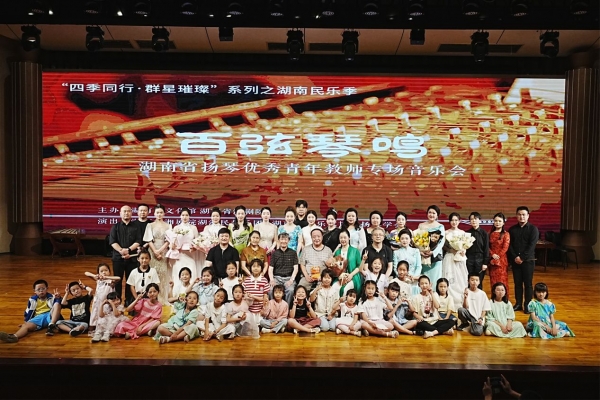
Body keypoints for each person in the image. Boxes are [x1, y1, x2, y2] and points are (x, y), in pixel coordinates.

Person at [508, 206, 539, 313]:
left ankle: (527, 305)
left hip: (528, 261)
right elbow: (510, 245)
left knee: (528, 284)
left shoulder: (533, 229)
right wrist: (515, 257)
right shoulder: (512, 229)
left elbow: (532, 246)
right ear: (516, 216)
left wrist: (522, 257)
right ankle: (518, 304)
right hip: (515, 261)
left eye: (524, 214)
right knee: (517, 283)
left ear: (528, 216)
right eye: (519, 214)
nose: (521, 217)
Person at [109, 205, 142, 305]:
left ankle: (128, 301)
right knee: (117, 281)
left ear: (131, 213)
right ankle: (117, 301)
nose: (126, 213)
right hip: (118, 258)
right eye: (124, 211)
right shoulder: (115, 227)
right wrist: (121, 250)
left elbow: (138, 241)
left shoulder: (136, 227)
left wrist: (128, 250)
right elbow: (112, 241)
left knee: (130, 281)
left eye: (128, 211)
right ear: (120, 213)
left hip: (132, 259)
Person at [143, 204, 172, 304]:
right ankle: (152, 298)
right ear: (154, 213)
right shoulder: (150, 225)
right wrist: (155, 251)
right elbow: (149, 239)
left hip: (164, 252)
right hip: (152, 251)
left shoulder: (168, 226)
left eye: (161, 212)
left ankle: (162, 298)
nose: (159, 214)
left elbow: (168, 241)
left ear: (164, 213)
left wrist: (160, 251)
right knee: (153, 274)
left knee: (163, 275)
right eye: (157, 212)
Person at [167, 207, 202, 283]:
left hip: (190, 255)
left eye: (186, 215)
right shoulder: (176, 228)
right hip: (179, 256)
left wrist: (194, 248)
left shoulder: (193, 228)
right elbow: (172, 242)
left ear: (189, 216)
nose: (184, 217)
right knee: (178, 275)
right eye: (183, 215)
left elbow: (197, 242)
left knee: (191, 274)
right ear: (180, 216)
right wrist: (173, 246)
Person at [442, 212, 469, 306]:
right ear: (449, 221)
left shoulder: (463, 233)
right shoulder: (446, 232)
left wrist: (463, 251)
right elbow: (443, 246)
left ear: (459, 221)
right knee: (449, 277)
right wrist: (451, 250)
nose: (454, 222)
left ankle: (461, 300)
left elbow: (465, 245)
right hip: (450, 257)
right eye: (452, 220)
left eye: (456, 220)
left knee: (461, 278)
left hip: (460, 258)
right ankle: (449, 300)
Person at [84, 263, 119, 332]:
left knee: (105, 316)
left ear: (109, 272)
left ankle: (105, 330)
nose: (104, 272)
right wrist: (95, 276)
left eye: (106, 270)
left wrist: (107, 277)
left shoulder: (111, 281)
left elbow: (118, 278)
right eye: (101, 271)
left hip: (107, 303)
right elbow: (86, 273)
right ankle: (93, 329)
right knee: (95, 315)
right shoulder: (98, 280)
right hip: (97, 302)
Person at [418, 205, 445, 289]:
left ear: (437, 215)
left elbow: (441, 242)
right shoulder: (421, 225)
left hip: (436, 257)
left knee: (435, 279)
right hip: (424, 256)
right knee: (424, 278)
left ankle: (434, 295)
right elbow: (417, 239)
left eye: (434, 213)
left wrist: (433, 252)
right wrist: (421, 251)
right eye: (430, 212)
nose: (431, 215)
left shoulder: (440, 226)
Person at [268, 232, 298, 304]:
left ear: (289, 241)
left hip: (289, 278)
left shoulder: (293, 253)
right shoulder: (274, 253)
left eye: (285, 239)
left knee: (290, 290)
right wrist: (272, 280)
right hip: (277, 278)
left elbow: (296, 268)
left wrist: (291, 280)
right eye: (282, 239)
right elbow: (271, 268)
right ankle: (273, 307)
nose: (283, 241)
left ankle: (286, 308)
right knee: (270, 289)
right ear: (278, 240)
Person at [392, 229, 422, 295]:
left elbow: (418, 266)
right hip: (402, 280)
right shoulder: (396, 252)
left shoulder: (416, 251)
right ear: (399, 240)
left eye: (406, 238)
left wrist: (414, 277)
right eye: (402, 238)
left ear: (410, 239)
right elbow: (395, 268)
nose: (404, 240)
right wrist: (403, 277)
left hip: (414, 280)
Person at [334, 229, 362, 297]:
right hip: (340, 277)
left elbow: (359, 266)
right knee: (334, 288)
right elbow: (335, 266)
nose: (343, 239)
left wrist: (351, 275)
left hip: (353, 276)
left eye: (345, 237)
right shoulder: (337, 252)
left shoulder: (355, 251)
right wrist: (340, 275)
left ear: (349, 238)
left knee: (344, 289)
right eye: (341, 238)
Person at [489, 212, 511, 300]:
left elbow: (505, 248)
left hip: (501, 261)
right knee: (493, 281)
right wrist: (492, 254)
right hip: (492, 261)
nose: (497, 223)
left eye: (499, 221)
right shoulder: (490, 233)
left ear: (503, 223)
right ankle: (494, 299)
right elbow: (487, 247)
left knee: (502, 281)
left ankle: (504, 299)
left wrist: (497, 256)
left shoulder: (506, 234)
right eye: (496, 221)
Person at [242, 259, 270, 326]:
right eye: (254, 266)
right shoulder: (247, 280)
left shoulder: (264, 280)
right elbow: (244, 295)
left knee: (261, 323)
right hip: (249, 310)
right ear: (250, 268)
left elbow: (265, 297)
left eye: (258, 266)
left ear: (261, 268)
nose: (256, 268)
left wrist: (263, 309)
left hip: (260, 310)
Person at [466, 212, 490, 289]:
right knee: (469, 281)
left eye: (475, 219)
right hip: (469, 259)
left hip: (480, 259)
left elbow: (486, 248)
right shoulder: (467, 233)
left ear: (479, 220)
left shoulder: (484, 233)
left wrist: (485, 263)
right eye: (471, 219)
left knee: (478, 281)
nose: (473, 221)